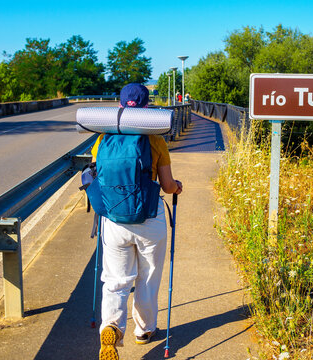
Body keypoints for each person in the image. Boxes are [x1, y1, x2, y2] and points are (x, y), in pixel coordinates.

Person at [92, 83, 183, 360]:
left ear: (120, 105)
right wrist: (177, 186)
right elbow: (167, 186)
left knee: (116, 280)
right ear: (147, 107)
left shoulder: (103, 137)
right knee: (148, 277)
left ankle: (111, 327)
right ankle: (143, 331)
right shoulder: (155, 139)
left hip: (114, 219)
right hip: (149, 218)